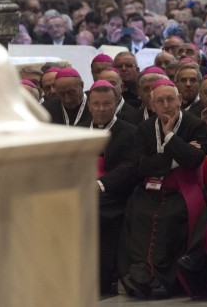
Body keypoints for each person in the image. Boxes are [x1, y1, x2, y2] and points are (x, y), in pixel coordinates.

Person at [118, 79, 207, 297]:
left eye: (170, 99)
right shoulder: (145, 128)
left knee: (168, 217)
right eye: (160, 101)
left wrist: (169, 136)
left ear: (179, 100)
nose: (166, 104)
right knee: (138, 212)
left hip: (182, 189)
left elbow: (193, 160)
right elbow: (139, 166)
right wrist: (175, 158)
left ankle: (155, 275)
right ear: (152, 105)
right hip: (149, 188)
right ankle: (140, 271)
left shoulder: (195, 125)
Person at [80, 81, 140, 295]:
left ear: (116, 104)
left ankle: (100, 280)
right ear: (89, 105)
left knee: (96, 212)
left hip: (114, 194)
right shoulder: (78, 131)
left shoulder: (130, 131)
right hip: (80, 191)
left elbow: (130, 167)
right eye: (96, 104)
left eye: (107, 104)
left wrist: (101, 184)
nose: (101, 109)